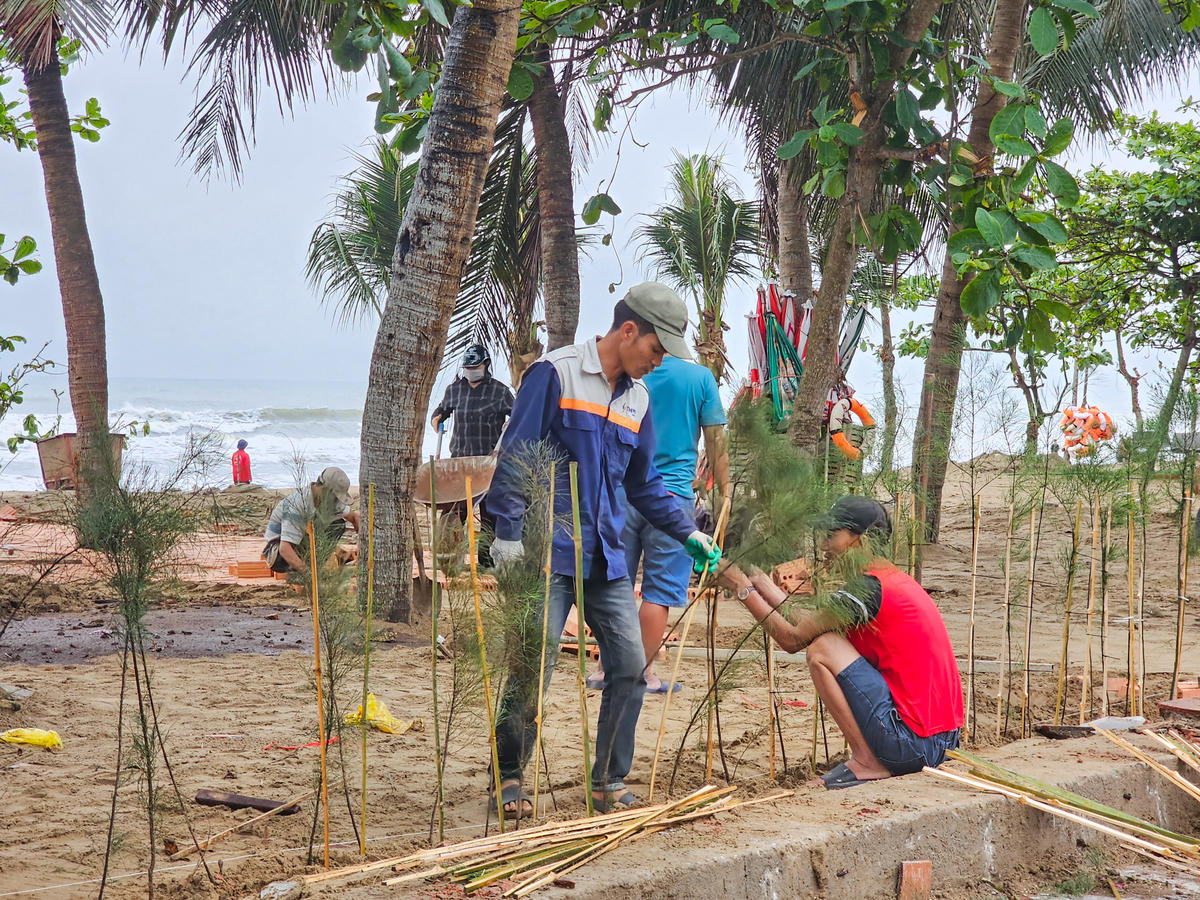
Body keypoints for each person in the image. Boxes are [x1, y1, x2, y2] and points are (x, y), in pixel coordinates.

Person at [484, 282, 723, 818]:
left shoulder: (638, 399)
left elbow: (645, 484)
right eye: (656, 351)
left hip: (607, 559)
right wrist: (505, 534)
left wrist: (688, 530)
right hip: (546, 553)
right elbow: (516, 457)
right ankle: (510, 777)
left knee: (630, 668)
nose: (657, 363)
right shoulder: (557, 374)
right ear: (628, 331)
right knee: (533, 666)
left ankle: (608, 781)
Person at [718, 496, 962, 789]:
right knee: (823, 639)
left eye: (832, 536)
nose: (824, 547)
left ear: (862, 541)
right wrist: (758, 579)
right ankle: (871, 758)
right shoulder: (889, 581)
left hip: (913, 745)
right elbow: (807, 623)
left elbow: (793, 639)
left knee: (822, 649)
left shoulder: (866, 587)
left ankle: (866, 759)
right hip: (943, 741)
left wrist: (740, 588)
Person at [588, 354, 731, 694]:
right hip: (673, 500)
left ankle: (604, 669)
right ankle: (640, 673)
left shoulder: (630, 370)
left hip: (622, 493)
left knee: (615, 583)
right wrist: (726, 493)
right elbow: (715, 441)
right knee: (660, 591)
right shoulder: (699, 378)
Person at [262, 466, 362, 574]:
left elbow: (353, 516)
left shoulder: (329, 501)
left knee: (337, 525)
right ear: (324, 488)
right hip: (278, 555)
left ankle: (315, 565)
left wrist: (358, 524)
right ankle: (305, 571)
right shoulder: (298, 505)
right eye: (334, 497)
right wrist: (309, 575)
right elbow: (284, 548)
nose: (336, 502)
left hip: (301, 544)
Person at [430, 344, 515, 459]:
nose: (471, 371)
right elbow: (442, 410)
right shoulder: (454, 390)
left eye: (475, 368)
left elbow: (519, 414)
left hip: (488, 461)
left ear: (486, 364)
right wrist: (436, 417)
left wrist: (511, 423)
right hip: (459, 460)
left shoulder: (500, 391)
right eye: (468, 368)